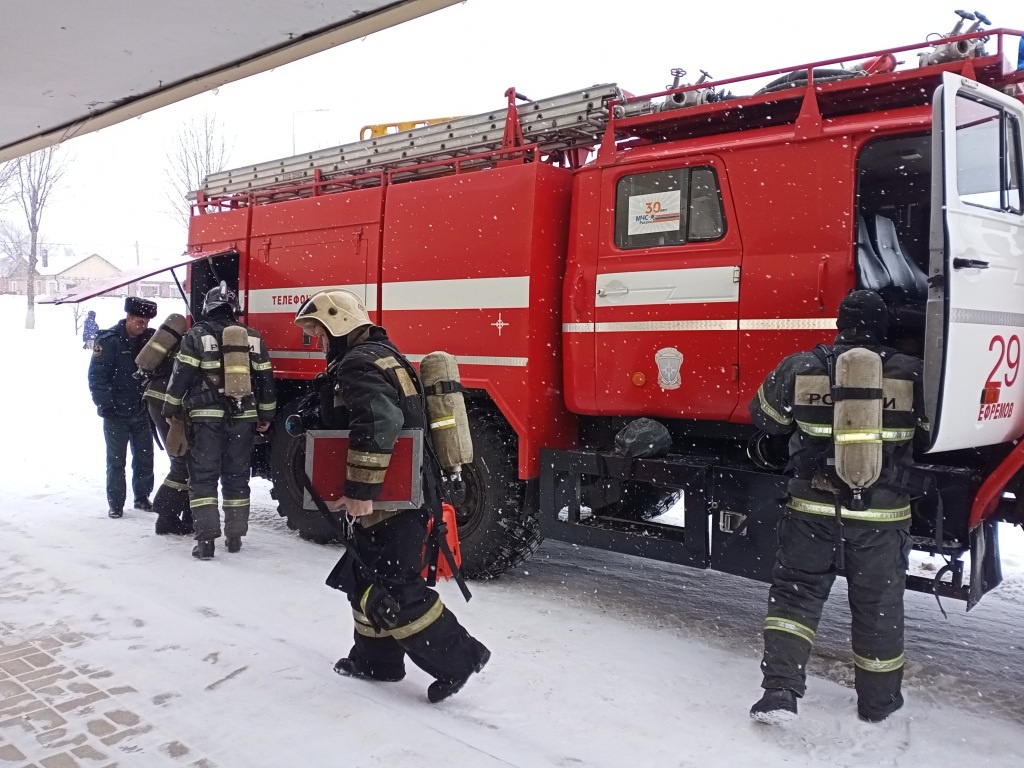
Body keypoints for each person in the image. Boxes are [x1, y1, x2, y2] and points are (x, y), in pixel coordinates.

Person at [294, 289, 490, 704]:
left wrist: (361, 491)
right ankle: (375, 662)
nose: (320, 342)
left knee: (397, 589)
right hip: (405, 492)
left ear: (339, 324)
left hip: (389, 501)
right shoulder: (382, 353)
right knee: (365, 576)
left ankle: (459, 660)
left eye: (321, 332)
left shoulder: (358, 363)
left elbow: (380, 421)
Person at [747, 290, 928, 724]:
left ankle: (781, 692)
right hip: (882, 517)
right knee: (878, 606)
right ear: (885, 327)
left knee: (796, 597)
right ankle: (878, 704)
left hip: (811, 508)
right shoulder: (914, 374)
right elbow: (928, 433)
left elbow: (766, 417)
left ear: (839, 324)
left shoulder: (801, 366)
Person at [162, 284, 276, 559]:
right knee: (237, 478)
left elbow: (182, 375)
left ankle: (206, 541)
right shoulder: (253, 337)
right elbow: (265, 381)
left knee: (203, 478)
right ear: (234, 309)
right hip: (243, 420)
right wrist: (266, 416)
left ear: (207, 308)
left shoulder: (196, 335)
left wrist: (170, 407)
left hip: (206, 420)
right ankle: (235, 536)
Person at [88, 297, 158, 518]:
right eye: (139, 321)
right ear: (128, 318)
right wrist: (105, 404)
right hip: (116, 412)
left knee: (145, 458)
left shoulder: (150, 340)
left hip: (142, 411)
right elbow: (97, 376)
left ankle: (142, 497)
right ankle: (116, 504)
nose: (143, 326)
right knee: (116, 461)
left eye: (146, 322)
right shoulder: (109, 341)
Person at [141, 322, 192, 536]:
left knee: (188, 462)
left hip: (158, 398)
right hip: (168, 404)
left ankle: (187, 516)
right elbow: (184, 378)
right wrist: (175, 413)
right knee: (182, 462)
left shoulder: (192, 335)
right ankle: (165, 516)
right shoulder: (202, 340)